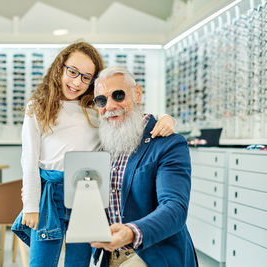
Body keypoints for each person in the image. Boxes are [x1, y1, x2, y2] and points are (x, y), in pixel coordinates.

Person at [11, 42, 176, 267]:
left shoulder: (95, 108)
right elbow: (28, 160)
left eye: (86, 77)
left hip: (87, 193)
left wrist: (166, 117)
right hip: (49, 197)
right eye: (72, 72)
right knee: (40, 262)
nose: (77, 82)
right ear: (60, 67)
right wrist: (30, 206)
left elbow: (131, 116)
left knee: (79, 262)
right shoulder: (37, 108)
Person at [91, 66, 198, 267]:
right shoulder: (101, 145)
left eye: (118, 95)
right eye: (101, 100)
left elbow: (175, 207)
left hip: (153, 255)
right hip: (109, 257)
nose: (110, 106)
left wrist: (131, 232)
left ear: (137, 94)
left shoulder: (168, 143)